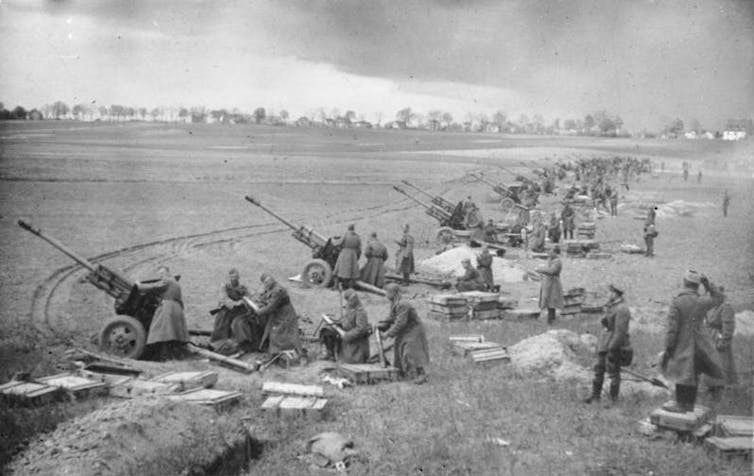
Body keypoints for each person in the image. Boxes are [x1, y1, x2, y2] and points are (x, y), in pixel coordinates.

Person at [660, 271, 724, 413]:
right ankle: (689, 405)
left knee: (682, 373)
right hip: (701, 344)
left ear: (684, 283)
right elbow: (720, 297)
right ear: (697, 285)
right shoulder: (702, 300)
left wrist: (669, 347)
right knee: (694, 373)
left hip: (682, 343)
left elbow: (672, 329)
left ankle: (681, 405)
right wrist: (708, 284)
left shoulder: (678, 301)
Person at [584, 284, 631, 405]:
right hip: (604, 343)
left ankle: (613, 401)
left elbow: (620, 332)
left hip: (614, 345)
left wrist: (612, 348)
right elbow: (606, 324)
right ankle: (595, 397)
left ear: (615, 294)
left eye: (609, 292)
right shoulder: (612, 306)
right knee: (599, 369)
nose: (607, 294)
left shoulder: (622, 309)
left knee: (614, 372)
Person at [377, 283, 429, 384]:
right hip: (406, 329)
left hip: (414, 329)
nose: (386, 295)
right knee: (398, 349)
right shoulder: (395, 302)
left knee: (410, 352)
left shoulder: (403, 304)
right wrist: (381, 325)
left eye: (387, 293)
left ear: (394, 293)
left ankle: (420, 374)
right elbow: (391, 317)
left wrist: (387, 334)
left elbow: (400, 323)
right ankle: (404, 373)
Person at [136, 266, 189, 360]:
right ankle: (171, 356)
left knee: (162, 331)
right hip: (177, 308)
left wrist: (139, 285)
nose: (161, 276)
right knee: (172, 333)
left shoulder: (167, 281)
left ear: (168, 273)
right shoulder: (175, 282)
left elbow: (154, 286)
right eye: (160, 274)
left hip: (168, 308)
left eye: (163, 273)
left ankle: (164, 357)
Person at [210, 268, 262, 354]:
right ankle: (219, 342)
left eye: (236, 277)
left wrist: (246, 300)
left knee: (240, 323)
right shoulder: (225, 287)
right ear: (230, 278)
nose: (235, 279)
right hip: (227, 311)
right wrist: (234, 304)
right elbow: (224, 298)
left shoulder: (242, 287)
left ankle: (240, 342)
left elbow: (248, 295)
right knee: (222, 326)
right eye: (233, 277)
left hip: (239, 311)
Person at [702, 286, 738, 406]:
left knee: (720, 373)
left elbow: (728, 330)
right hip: (710, 342)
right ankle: (710, 398)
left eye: (715, 296)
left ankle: (719, 401)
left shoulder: (726, 307)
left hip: (718, 345)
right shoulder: (713, 307)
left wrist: (721, 344)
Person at [319, 289, 371, 363]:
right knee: (327, 331)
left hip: (356, 341)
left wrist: (347, 335)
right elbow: (346, 319)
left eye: (355, 298)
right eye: (351, 299)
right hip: (346, 333)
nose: (354, 300)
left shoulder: (360, 311)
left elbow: (360, 329)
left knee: (350, 360)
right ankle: (329, 353)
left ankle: (339, 355)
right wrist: (336, 323)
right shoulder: (349, 307)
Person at [256, 274, 302, 355]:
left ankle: (282, 353)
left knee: (280, 333)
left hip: (285, 314)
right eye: (265, 282)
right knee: (272, 331)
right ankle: (275, 351)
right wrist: (259, 302)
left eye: (269, 280)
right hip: (277, 313)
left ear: (272, 280)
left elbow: (271, 306)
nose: (268, 283)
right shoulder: (269, 287)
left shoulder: (278, 290)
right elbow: (264, 297)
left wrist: (258, 311)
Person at [535, 246, 564, 325]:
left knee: (552, 302)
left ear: (555, 252)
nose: (549, 253)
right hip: (548, 283)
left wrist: (540, 269)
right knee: (548, 300)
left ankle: (551, 321)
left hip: (553, 284)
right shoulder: (551, 260)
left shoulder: (557, 261)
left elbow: (551, 271)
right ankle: (550, 320)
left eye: (551, 251)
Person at [333, 224, 361, 289]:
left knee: (338, 270)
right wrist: (357, 256)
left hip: (344, 254)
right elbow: (359, 248)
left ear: (348, 228)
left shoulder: (345, 235)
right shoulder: (357, 237)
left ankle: (335, 286)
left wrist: (333, 241)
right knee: (352, 272)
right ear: (353, 229)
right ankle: (350, 287)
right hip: (353, 255)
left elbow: (337, 243)